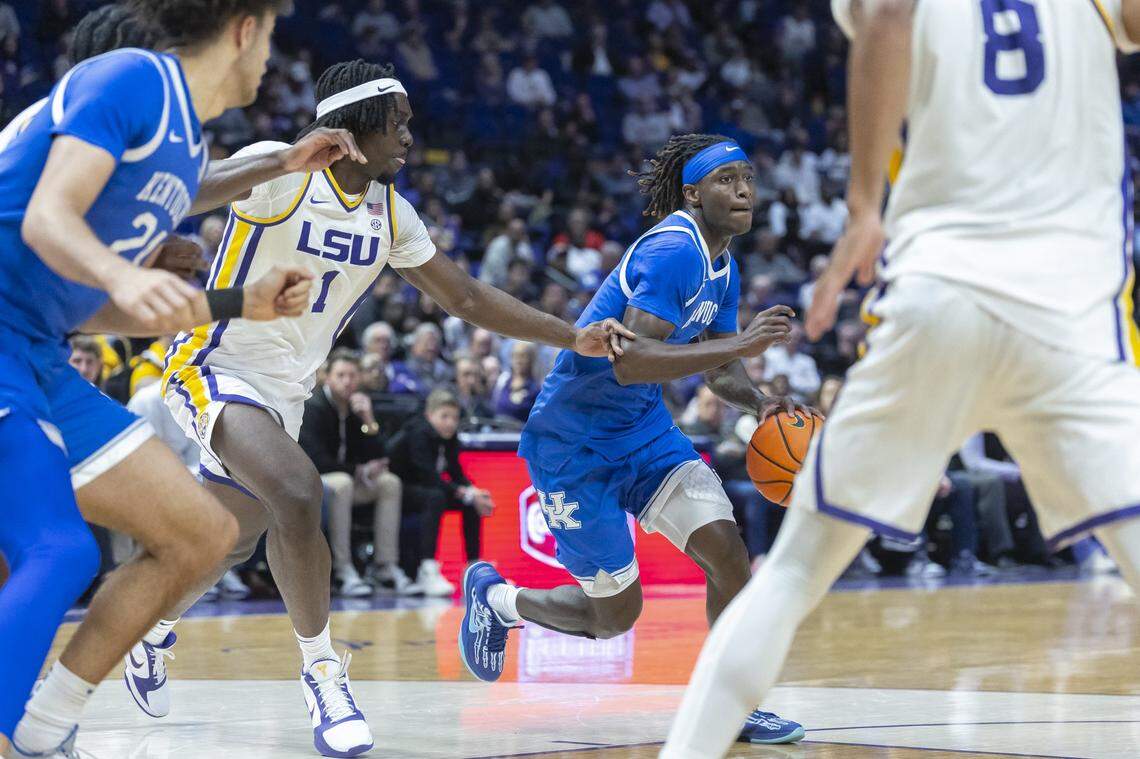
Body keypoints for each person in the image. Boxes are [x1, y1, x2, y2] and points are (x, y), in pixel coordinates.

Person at [661, 2, 1140, 756]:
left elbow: (886, 16)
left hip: (938, 293)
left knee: (788, 578)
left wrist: (862, 208)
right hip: (1071, 312)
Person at [136, 58, 630, 756]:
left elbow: (467, 298)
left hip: (285, 391)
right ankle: (324, 675)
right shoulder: (282, 173)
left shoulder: (391, 211)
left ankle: (150, 625)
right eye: (396, 123)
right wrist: (279, 157)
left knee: (228, 537)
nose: (407, 137)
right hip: (214, 365)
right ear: (354, 126)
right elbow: (185, 192)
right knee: (299, 493)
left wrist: (569, 333)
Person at [0, 0, 340, 754]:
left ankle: (42, 725)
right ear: (245, 28)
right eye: (271, 36)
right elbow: (47, 220)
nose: (270, 59)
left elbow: (94, 311)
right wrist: (124, 274)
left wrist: (235, 302)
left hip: (38, 349)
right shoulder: (133, 78)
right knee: (58, 550)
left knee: (202, 532)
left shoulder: (181, 152)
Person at [458, 133, 807, 745]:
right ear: (693, 194)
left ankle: (730, 704)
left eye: (749, 177)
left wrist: (757, 399)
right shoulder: (675, 250)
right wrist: (747, 343)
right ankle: (499, 599)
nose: (745, 189)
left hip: (644, 431)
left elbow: (718, 367)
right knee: (615, 616)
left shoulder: (723, 263)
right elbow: (631, 360)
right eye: (727, 180)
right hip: (574, 442)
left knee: (729, 555)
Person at [298, 349, 412, 597]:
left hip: (348, 480)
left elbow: (382, 455)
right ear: (327, 377)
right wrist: (358, 470)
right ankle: (343, 568)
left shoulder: (356, 408)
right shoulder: (313, 406)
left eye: (352, 375)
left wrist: (368, 420)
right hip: (316, 483)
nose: (347, 381)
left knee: (389, 483)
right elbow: (316, 460)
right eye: (341, 375)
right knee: (342, 483)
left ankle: (385, 565)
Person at [389, 388, 493, 595]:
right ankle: (427, 569)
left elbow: (456, 474)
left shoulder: (450, 438)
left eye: (454, 418)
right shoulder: (417, 432)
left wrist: (474, 493)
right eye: (444, 416)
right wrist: (467, 493)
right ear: (429, 415)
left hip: (426, 489)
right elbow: (429, 476)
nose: (450, 423)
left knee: (468, 502)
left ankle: (472, 568)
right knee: (435, 497)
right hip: (398, 489)